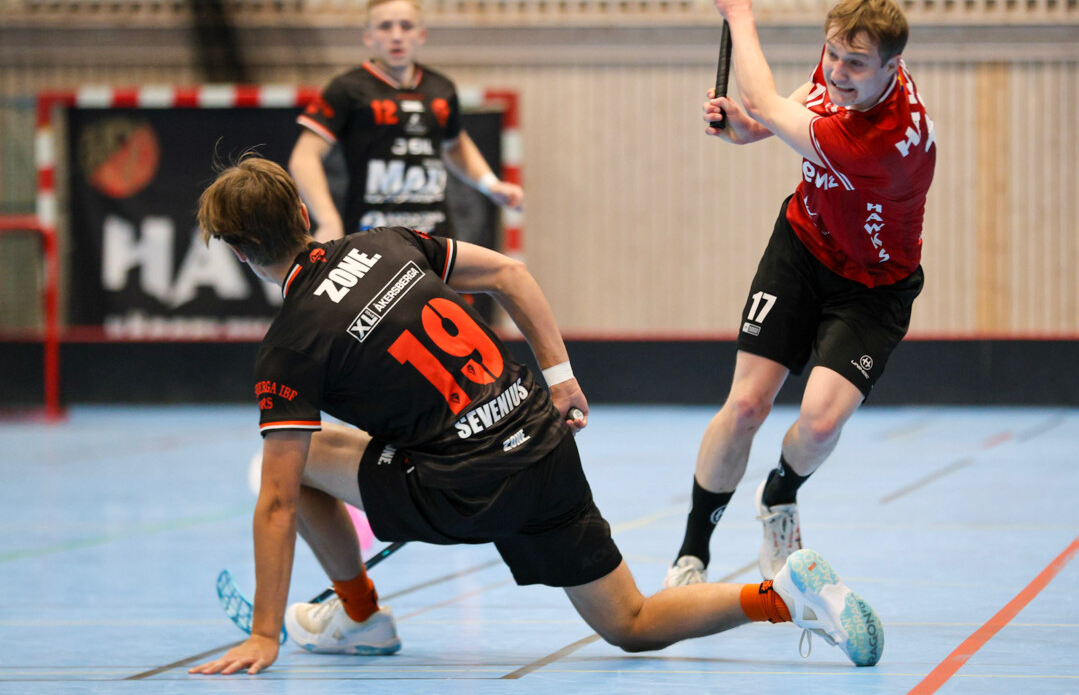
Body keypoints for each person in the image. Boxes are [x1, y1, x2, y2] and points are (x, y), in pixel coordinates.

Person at [186, 156, 883, 675]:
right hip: (541, 441)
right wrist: (560, 378)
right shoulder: (386, 243)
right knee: (631, 621)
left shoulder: (289, 348)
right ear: (303, 212)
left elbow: (277, 502)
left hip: (466, 486)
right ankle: (781, 595)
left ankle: (361, 615)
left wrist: (267, 634)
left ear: (241, 253)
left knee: (298, 460)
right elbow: (509, 275)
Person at [665, 0, 935, 589]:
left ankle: (780, 495)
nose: (838, 71)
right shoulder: (848, 77)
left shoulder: (883, 144)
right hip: (803, 248)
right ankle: (692, 554)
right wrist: (746, 127)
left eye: (856, 64)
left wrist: (740, 12)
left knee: (818, 423)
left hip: (874, 288)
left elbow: (770, 103)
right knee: (746, 405)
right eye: (832, 53)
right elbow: (785, 108)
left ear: (893, 69)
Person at [289, 0, 522, 243]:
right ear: (368, 36)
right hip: (371, 236)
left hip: (435, 237)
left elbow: (455, 145)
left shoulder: (441, 88)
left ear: (421, 34)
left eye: (406, 26)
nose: (397, 36)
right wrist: (329, 220)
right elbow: (304, 158)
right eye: (385, 26)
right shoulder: (347, 88)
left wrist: (491, 185)